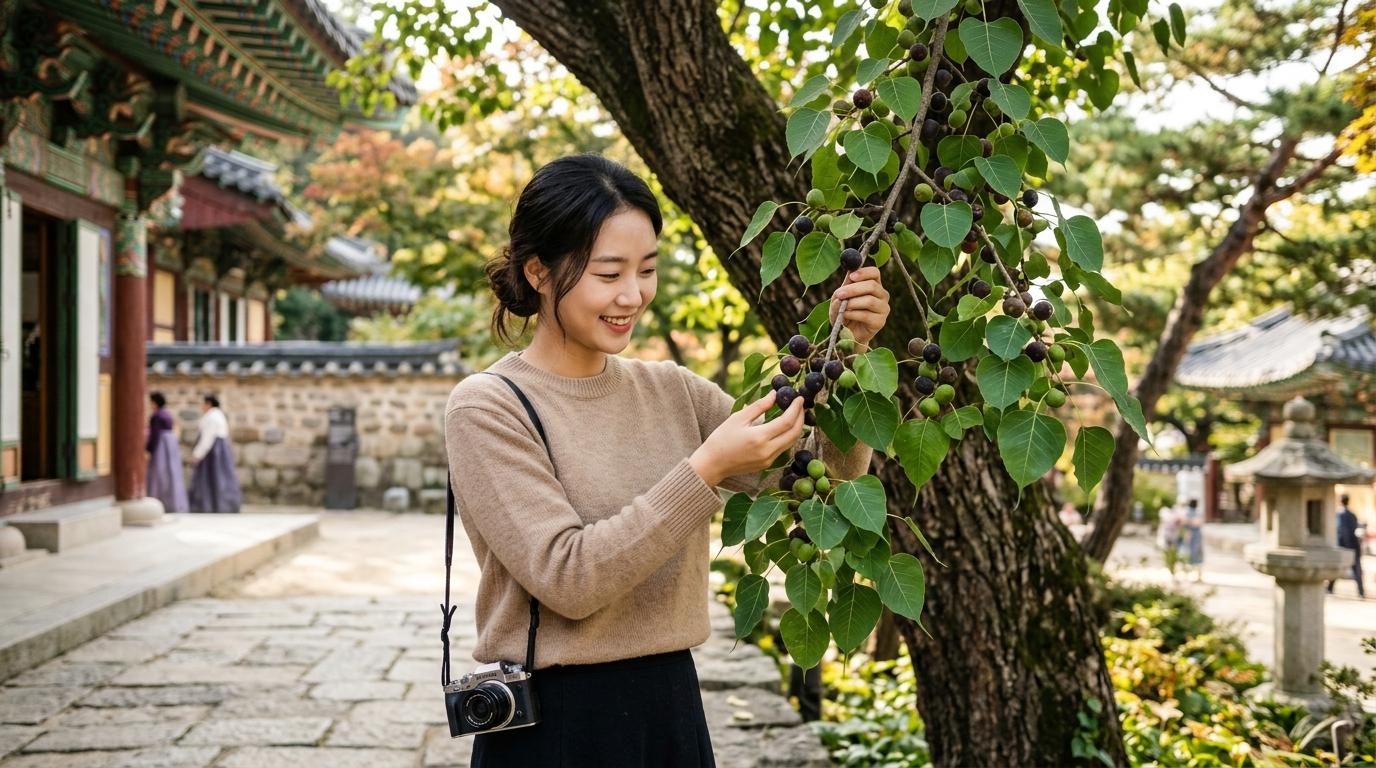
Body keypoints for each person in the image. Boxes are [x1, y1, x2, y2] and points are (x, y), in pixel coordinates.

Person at [444, 154, 890, 767]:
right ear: (539, 271)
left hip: (670, 705)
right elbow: (567, 578)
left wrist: (853, 350)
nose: (632, 295)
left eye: (646, 270)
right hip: (554, 724)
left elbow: (824, 481)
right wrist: (703, 471)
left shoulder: (673, 391)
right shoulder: (488, 408)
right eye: (608, 273)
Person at [187, 394, 241, 514]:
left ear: (208, 404)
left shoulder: (211, 417)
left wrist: (197, 454)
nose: (202, 407)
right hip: (220, 451)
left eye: (203, 404)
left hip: (212, 453)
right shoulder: (219, 416)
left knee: (210, 479)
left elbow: (207, 438)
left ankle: (209, 505)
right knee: (220, 478)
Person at [145, 392, 188, 514]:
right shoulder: (167, 414)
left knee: (159, 474)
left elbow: (155, 435)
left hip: (161, 448)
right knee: (171, 474)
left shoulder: (157, 416)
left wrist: (149, 450)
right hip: (170, 447)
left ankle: (159, 500)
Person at [1327, 494, 1366, 598]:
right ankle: (1361, 591)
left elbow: (1341, 531)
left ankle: (1330, 588)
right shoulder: (1352, 515)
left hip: (1343, 545)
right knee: (1356, 569)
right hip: (1353, 545)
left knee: (1336, 567)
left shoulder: (1339, 515)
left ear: (1340, 501)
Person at [1178, 498, 1204, 582]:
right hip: (1193, 535)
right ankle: (1194, 575)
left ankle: (1190, 575)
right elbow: (1197, 522)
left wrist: (1189, 522)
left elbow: (1185, 521)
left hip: (1190, 535)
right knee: (1192, 555)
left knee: (1189, 554)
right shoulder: (1194, 512)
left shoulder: (1187, 512)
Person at [1156, 504, 1182, 577]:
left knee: (1172, 551)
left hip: (1173, 536)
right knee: (1168, 551)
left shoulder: (1173, 516)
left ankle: (1171, 566)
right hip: (1169, 536)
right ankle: (1169, 565)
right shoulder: (1167, 515)